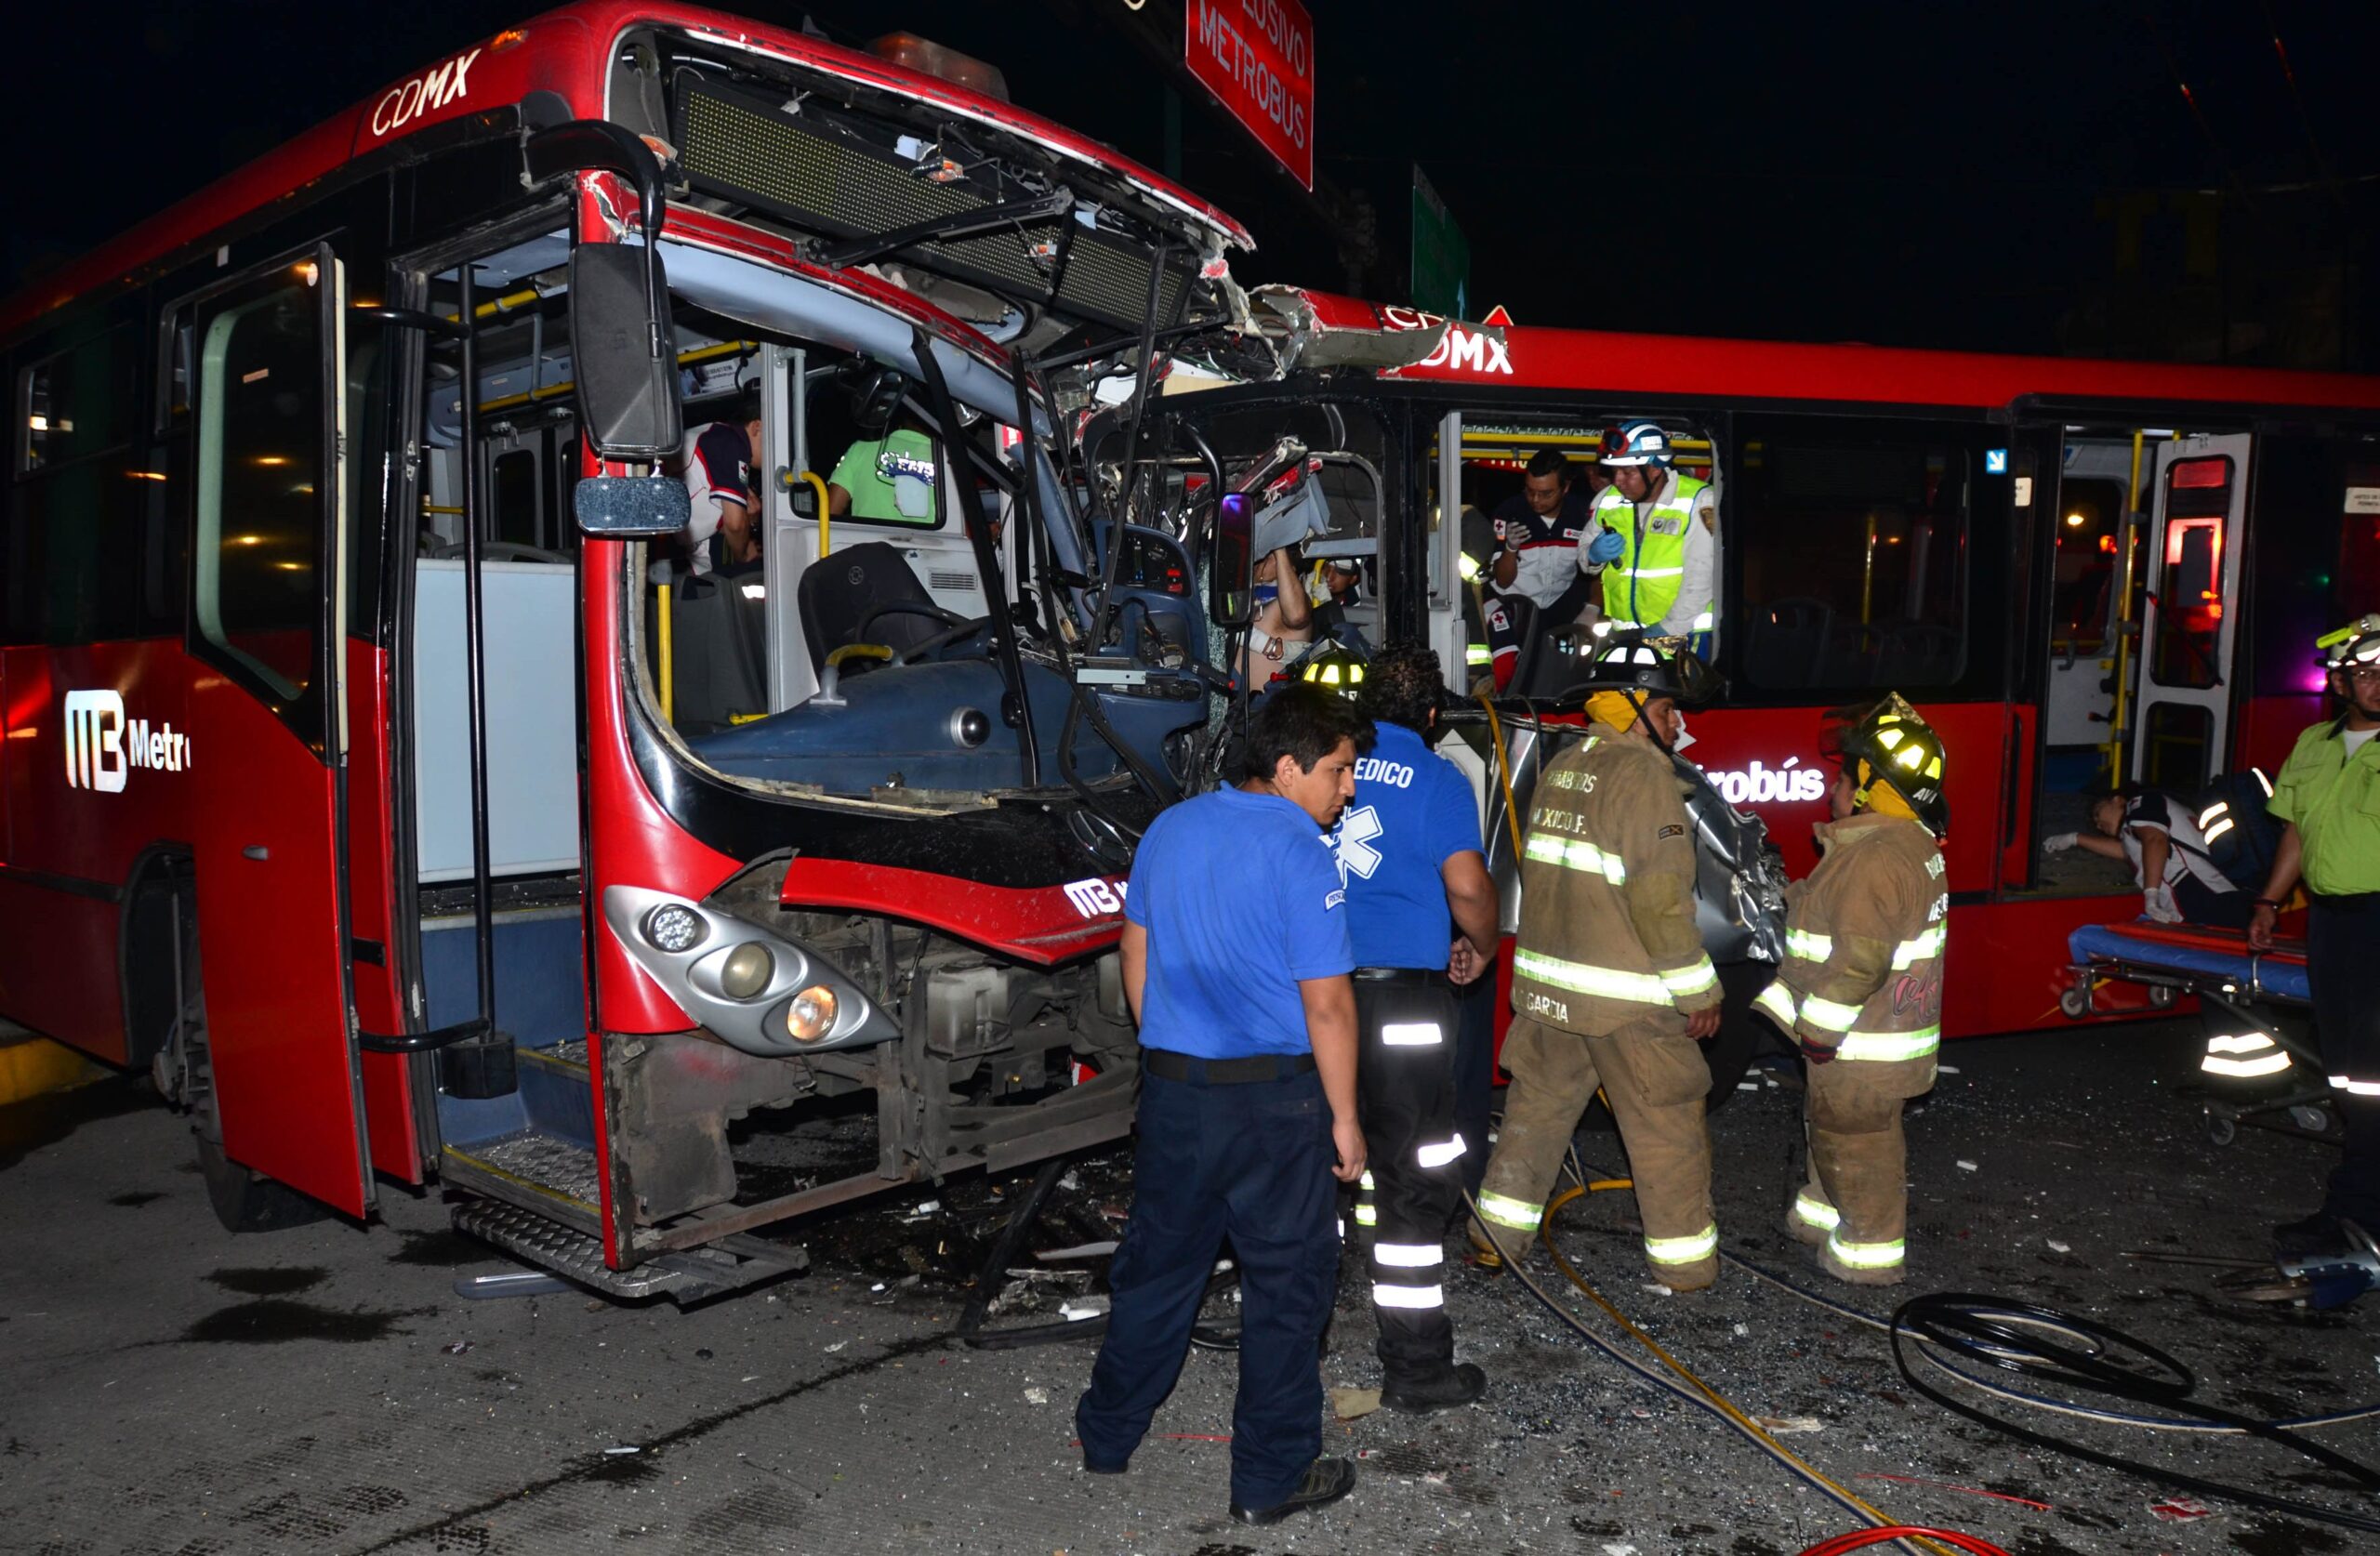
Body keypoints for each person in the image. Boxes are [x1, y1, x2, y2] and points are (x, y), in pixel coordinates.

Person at [1076, 683, 1370, 1526]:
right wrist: (1346, 1120)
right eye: (1340, 771)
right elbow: (1329, 1007)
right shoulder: (1299, 851)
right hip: (1272, 1105)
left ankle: (1107, 1435)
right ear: (1287, 768)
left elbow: (1136, 955)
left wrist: (1169, 1042)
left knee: (1159, 1270)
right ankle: (1269, 1480)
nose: (1346, 789)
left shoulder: (1171, 826)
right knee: (1287, 1288)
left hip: (1174, 1093)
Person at [1472, 639, 1726, 1291]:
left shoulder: (1567, 761)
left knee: (1535, 1117)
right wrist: (1698, 993)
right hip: (1625, 1002)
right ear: (1634, 707)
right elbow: (1661, 900)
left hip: (1552, 992)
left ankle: (1495, 1237)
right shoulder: (1643, 776)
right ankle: (1686, 1267)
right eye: (1668, 710)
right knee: (1668, 1125)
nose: (1678, 726)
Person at [1329, 645, 1500, 1413]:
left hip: (1319, 999)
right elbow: (1466, 887)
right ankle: (1416, 1366)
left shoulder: (1328, 769)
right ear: (1434, 716)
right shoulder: (1435, 778)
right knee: (1413, 1178)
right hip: (1404, 1009)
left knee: (1322, 1165)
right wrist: (1483, 943)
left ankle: (1300, 1345)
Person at [1753, 693, 1950, 1286]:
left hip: (1859, 1043)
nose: (1831, 789)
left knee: (1858, 1142)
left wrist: (1818, 1031)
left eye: (1842, 778)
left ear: (1869, 786)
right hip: (1878, 1037)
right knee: (1833, 1127)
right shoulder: (1907, 845)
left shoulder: (1874, 860)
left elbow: (1861, 960)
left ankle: (1869, 1252)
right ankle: (1820, 1214)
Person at [2249, 613, 2380, 1261]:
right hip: (2332, 922)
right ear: (2341, 682)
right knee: (2349, 1075)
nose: (2378, 683)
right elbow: (2295, 832)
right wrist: (2271, 901)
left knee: (2374, 1077)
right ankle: (2353, 1209)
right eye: (2365, 671)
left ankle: (2358, 1215)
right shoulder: (2313, 744)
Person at [1586, 421, 1718, 649]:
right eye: (1614, 471)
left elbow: (1702, 576)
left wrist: (1667, 630)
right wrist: (1592, 556)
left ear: (1655, 469)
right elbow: (1584, 556)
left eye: (1627, 472)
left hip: (1685, 638)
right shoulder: (1607, 500)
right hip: (1626, 638)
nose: (1617, 480)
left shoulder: (1699, 501)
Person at [2044, 783, 2250, 929]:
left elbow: (2155, 840)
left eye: (2099, 814)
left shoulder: (2140, 804)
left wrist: (2151, 894)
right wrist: (2075, 838)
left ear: (2117, 800)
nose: (2099, 824)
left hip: (2205, 893)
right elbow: (2127, 852)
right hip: (2203, 895)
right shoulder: (2135, 828)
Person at [1487, 449, 1598, 626]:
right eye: (1530, 491)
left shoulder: (1583, 515)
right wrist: (1510, 548)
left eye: (1546, 493)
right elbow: (1502, 581)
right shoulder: (1509, 512)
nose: (1536, 499)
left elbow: (1598, 569)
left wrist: (1593, 608)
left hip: (1561, 606)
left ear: (1565, 487)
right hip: (1512, 607)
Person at [679, 387, 763, 575]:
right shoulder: (730, 442)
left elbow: (725, 525)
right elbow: (734, 525)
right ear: (757, 427)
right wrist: (742, 555)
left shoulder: (724, 442)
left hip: (678, 551)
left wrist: (751, 521)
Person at [1239, 544, 1316, 683]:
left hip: (1264, 702)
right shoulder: (1245, 599)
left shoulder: (1290, 606)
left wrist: (1279, 549)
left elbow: (1297, 616)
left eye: (1269, 557)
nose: (1259, 560)